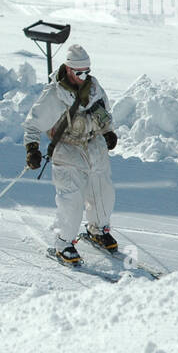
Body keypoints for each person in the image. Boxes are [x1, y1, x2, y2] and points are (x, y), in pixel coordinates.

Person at [23, 44, 120, 264]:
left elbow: (104, 112)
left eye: (87, 71)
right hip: (68, 151)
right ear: (68, 69)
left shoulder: (94, 87)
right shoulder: (54, 95)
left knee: (103, 193)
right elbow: (33, 125)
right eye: (79, 72)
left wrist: (108, 132)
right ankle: (64, 242)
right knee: (71, 202)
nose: (84, 76)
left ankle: (98, 230)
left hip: (94, 147)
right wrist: (32, 149)